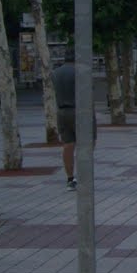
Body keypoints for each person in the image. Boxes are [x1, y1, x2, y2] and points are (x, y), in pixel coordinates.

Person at [52, 48, 79, 190]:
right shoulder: (79, 73)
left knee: (68, 145)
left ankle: (70, 178)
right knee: (86, 144)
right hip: (78, 111)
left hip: (61, 111)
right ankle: (85, 174)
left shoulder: (56, 73)